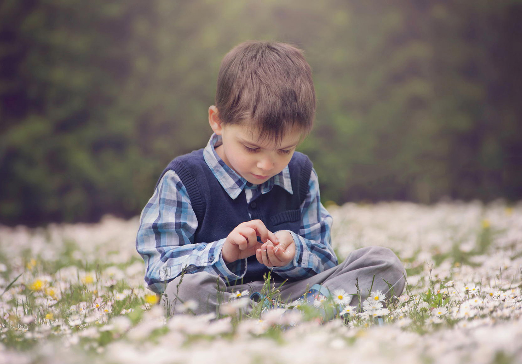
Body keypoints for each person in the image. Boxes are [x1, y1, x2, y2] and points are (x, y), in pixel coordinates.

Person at [136, 41, 405, 317]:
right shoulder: (184, 178)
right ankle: (296, 321)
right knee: (182, 292)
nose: (267, 164)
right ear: (217, 121)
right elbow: (159, 269)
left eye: (285, 150)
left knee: (384, 264)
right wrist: (224, 253)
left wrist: (293, 252)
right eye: (251, 148)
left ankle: (292, 318)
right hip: (222, 299)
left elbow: (325, 259)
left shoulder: (300, 174)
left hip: (294, 294)